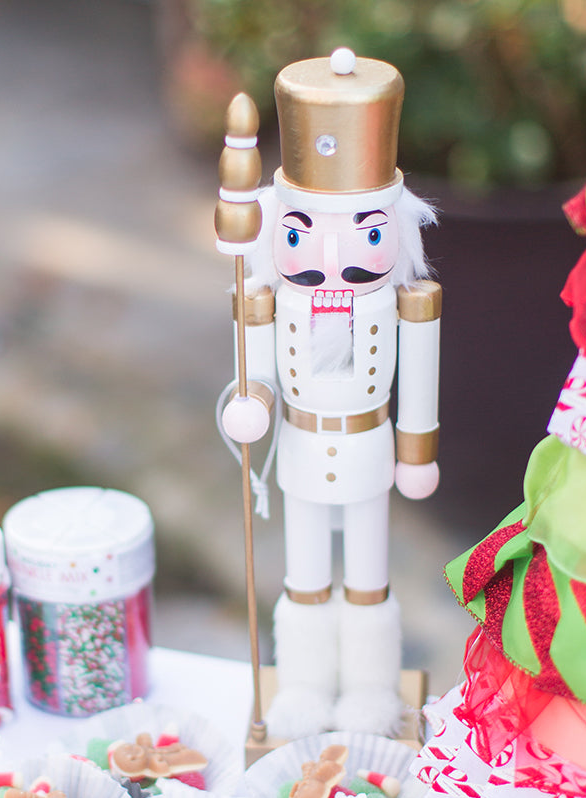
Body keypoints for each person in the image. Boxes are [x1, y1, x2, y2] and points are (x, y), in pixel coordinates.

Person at [219, 49, 441, 739]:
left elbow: (422, 384)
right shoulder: (266, 299)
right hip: (305, 451)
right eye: (302, 235)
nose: (331, 261)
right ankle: (307, 689)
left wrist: (416, 451)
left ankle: (372, 690)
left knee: (369, 575)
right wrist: (249, 403)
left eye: (366, 234)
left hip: (371, 447)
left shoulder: (407, 304)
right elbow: (253, 372)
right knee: (305, 573)